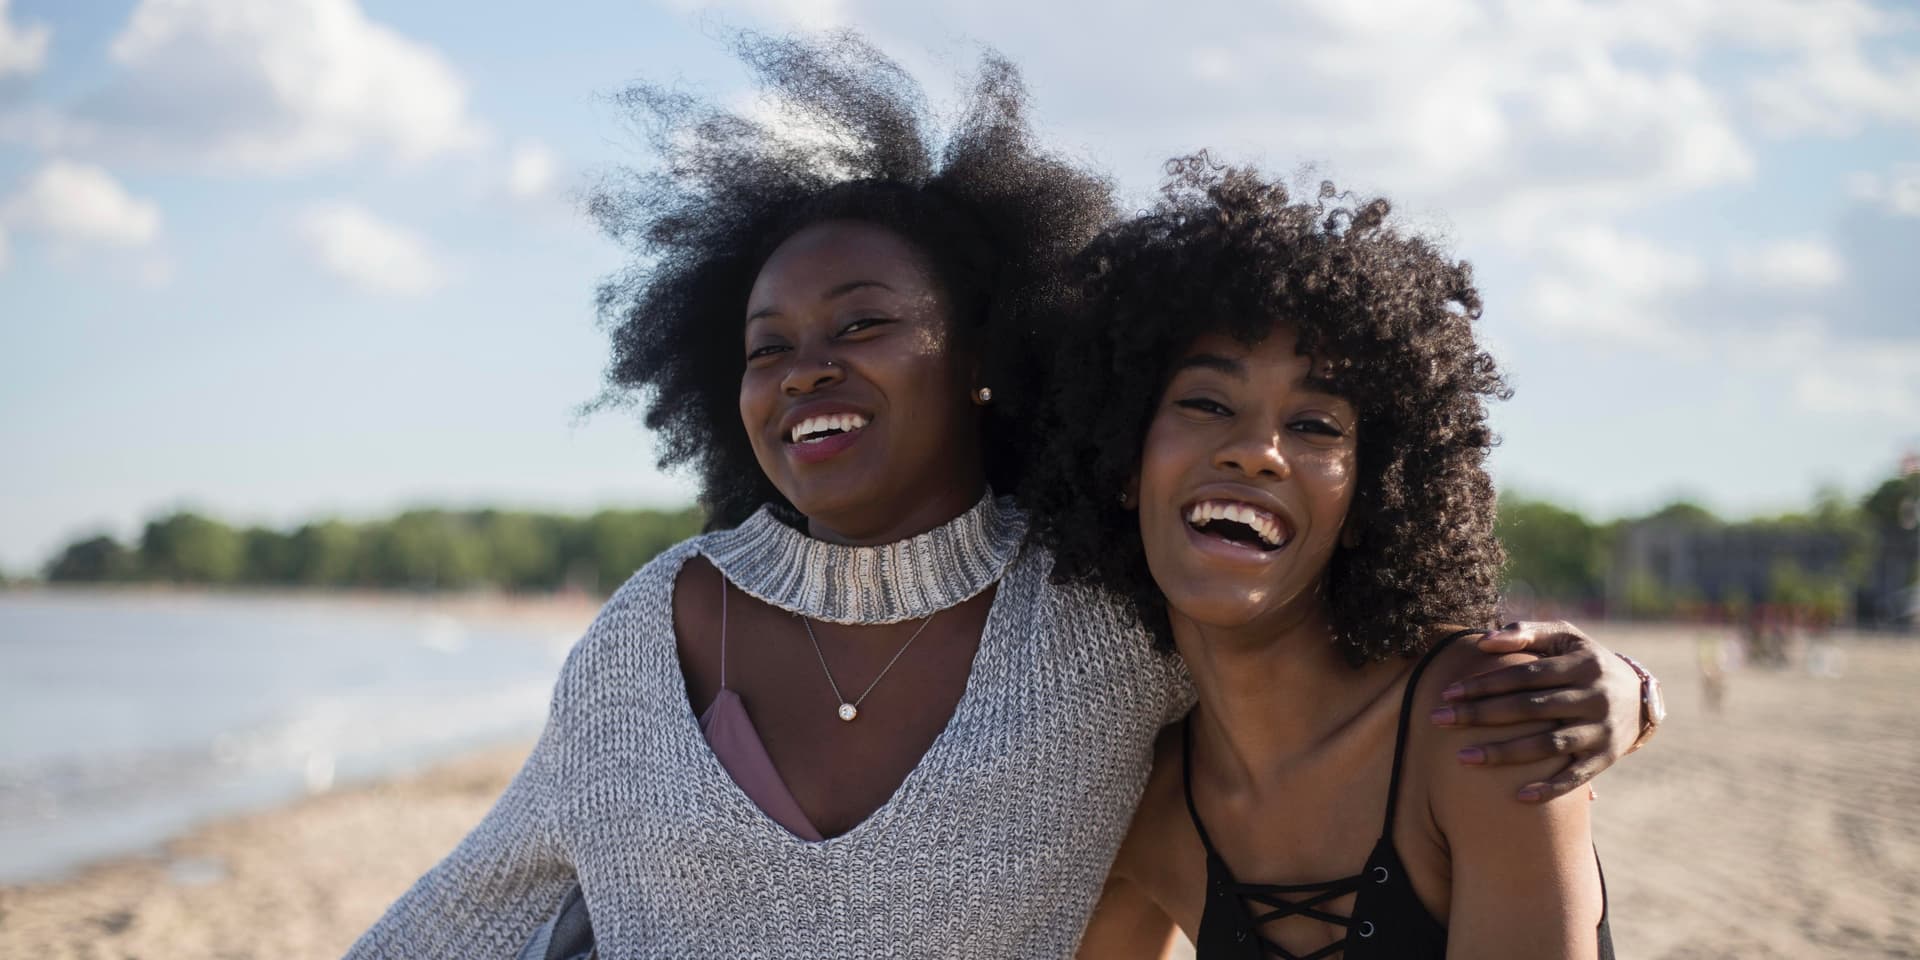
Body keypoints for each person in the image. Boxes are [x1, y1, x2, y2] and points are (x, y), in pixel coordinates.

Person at [350, 36, 1651, 959]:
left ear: (983, 361)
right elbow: (472, 910)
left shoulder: (1101, 612)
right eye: (768, 344)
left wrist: (1622, 686)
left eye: (863, 323)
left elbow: (1323, 634)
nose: (808, 367)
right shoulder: (646, 631)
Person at [1035, 159, 1617, 958]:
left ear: (1367, 502)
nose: (1256, 452)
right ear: (1124, 465)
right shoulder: (1149, 805)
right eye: (1207, 403)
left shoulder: (1481, 726)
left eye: (1315, 425)